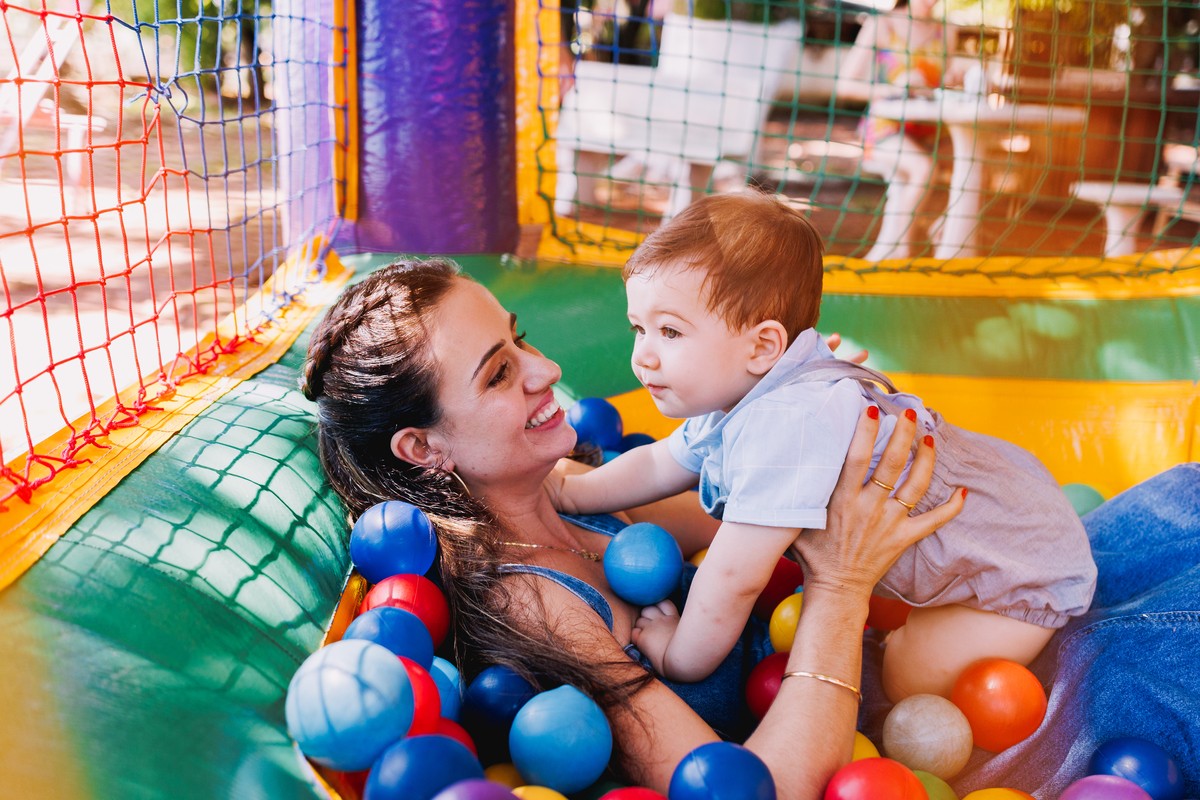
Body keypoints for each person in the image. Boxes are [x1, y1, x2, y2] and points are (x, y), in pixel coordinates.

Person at [300, 257, 964, 797]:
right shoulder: (532, 602)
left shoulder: (575, 489)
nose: (546, 371)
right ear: (422, 448)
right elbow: (759, 790)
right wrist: (842, 589)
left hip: (895, 701)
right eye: (500, 373)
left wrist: (784, 409)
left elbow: (755, 509)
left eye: (519, 337)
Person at [549, 192, 1096, 703]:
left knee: (904, 678)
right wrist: (573, 493)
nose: (642, 356)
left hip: (1017, 572)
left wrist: (680, 655)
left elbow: (734, 578)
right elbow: (661, 459)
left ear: (764, 344)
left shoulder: (787, 423)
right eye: (637, 328)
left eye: (669, 333)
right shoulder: (744, 383)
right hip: (1009, 502)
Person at [836, 0, 957, 261]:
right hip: (883, 128)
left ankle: (943, 226)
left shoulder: (947, 31)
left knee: (974, 162)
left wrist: (952, 80)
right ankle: (899, 248)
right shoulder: (882, 23)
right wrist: (892, 89)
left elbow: (941, 87)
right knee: (924, 168)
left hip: (929, 129)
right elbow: (844, 86)